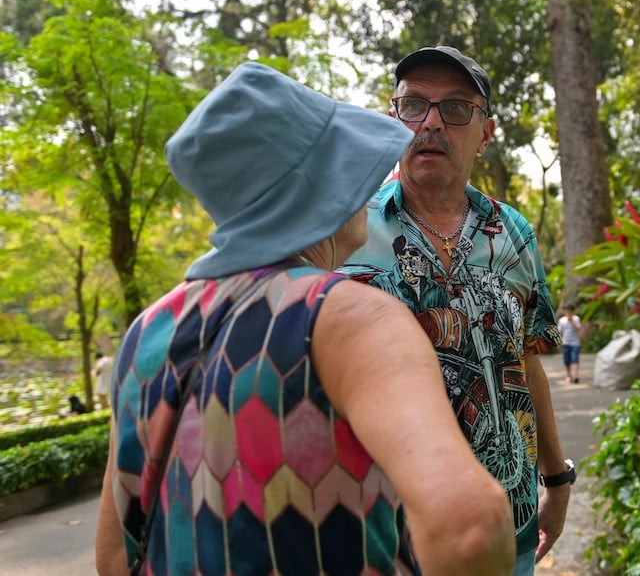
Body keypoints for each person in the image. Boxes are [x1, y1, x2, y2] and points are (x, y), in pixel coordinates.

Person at [94, 62, 514, 576]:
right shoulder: (349, 316)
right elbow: (469, 525)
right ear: (322, 186)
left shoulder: (149, 331)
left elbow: (115, 557)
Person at [338, 46, 573, 575]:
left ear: (485, 133)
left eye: (456, 109)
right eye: (414, 105)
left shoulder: (513, 235)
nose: (432, 123)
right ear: (393, 117)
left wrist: (556, 480)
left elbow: (527, 362)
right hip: (389, 539)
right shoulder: (345, 233)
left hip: (506, 530)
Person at [557, 303, 589, 384]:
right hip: (566, 343)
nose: (568, 312)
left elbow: (579, 329)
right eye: (566, 310)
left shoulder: (576, 319)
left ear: (572, 311)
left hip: (575, 343)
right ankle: (568, 375)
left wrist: (572, 322)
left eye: (569, 310)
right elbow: (559, 331)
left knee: (575, 359)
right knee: (567, 360)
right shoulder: (562, 320)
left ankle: (576, 376)